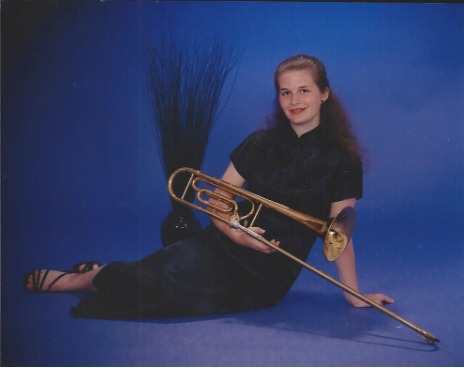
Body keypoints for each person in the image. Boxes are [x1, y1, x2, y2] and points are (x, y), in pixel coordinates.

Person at [23, 54, 394, 319]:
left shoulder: (343, 161)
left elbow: (339, 234)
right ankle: (80, 278)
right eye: (285, 92)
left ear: (324, 94)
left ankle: (103, 273)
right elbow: (214, 198)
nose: (294, 101)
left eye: (304, 91)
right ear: (278, 97)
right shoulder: (260, 143)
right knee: (144, 281)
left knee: (157, 294)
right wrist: (236, 235)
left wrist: (353, 294)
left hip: (265, 277)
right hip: (221, 245)